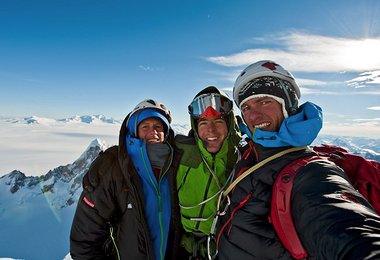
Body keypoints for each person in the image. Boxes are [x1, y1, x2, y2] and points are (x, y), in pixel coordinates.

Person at [216, 60, 380, 259]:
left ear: (288, 104)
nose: (254, 115)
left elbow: (344, 224)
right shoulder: (251, 154)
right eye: (246, 107)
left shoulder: (310, 171)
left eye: (265, 101)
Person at [70, 99, 182, 260]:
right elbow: (84, 242)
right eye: (145, 127)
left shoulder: (175, 166)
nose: (153, 132)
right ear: (133, 130)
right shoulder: (112, 169)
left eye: (159, 127)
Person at [175, 86, 241, 259]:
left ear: (229, 124)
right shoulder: (181, 153)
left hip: (225, 249)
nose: (211, 130)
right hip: (183, 248)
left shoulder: (244, 160)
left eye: (218, 122)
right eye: (203, 123)